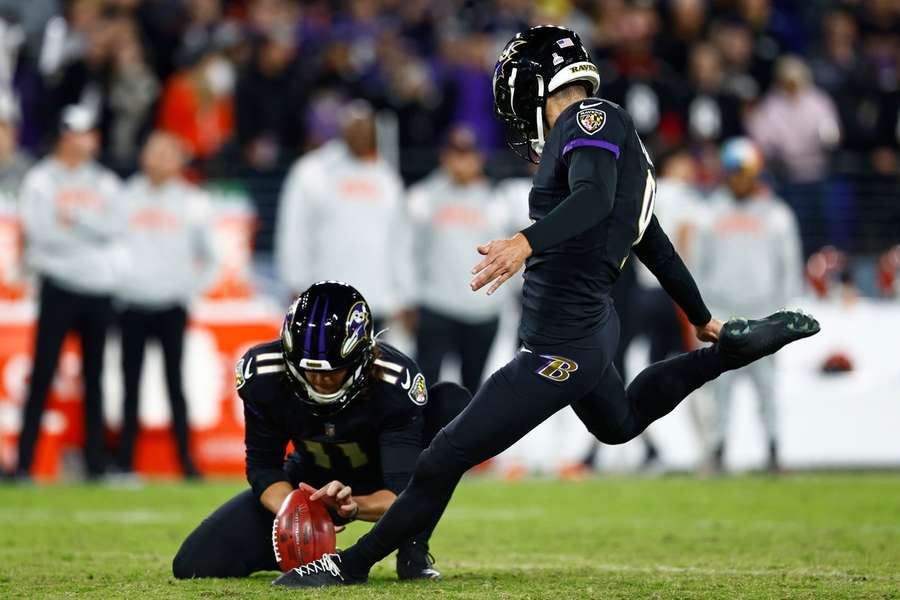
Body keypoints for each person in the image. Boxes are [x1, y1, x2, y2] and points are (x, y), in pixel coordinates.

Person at [272, 25, 819, 588]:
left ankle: (348, 567)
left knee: (443, 454)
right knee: (620, 421)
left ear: (537, 84)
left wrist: (523, 242)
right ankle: (727, 355)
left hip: (561, 343)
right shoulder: (611, 139)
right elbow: (649, 237)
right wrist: (704, 321)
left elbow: (593, 199)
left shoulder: (592, 118)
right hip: (587, 328)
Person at [172, 281, 470, 581]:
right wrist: (297, 514)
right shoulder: (265, 375)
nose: (319, 379)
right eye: (308, 369)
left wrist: (353, 507)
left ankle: (413, 551)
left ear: (361, 357)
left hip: (381, 476)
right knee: (195, 563)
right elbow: (263, 467)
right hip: (309, 487)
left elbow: (403, 492)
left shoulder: (393, 382)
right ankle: (300, 551)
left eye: (333, 370)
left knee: (450, 404)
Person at [15, 105, 123, 481]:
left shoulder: (106, 181)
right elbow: (40, 233)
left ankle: (95, 465)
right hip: (57, 284)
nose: (89, 139)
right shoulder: (41, 179)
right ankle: (24, 464)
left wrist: (74, 221)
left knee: (95, 379)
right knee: (42, 372)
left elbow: (115, 227)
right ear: (65, 135)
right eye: (81, 132)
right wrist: (91, 233)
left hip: (98, 288)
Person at [114, 132, 219, 479]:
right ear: (143, 156)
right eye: (154, 151)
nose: (159, 159)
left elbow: (212, 257)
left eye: (166, 153)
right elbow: (107, 246)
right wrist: (120, 284)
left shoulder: (193, 202)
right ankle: (123, 462)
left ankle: (186, 462)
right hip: (131, 303)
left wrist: (186, 289)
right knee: (129, 384)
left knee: (176, 383)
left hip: (172, 304)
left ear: (178, 161)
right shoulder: (123, 198)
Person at [694, 138, 803, 473]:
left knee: (767, 390)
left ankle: (773, 450)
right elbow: (698, 267)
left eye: (746, 172)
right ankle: (717, 450)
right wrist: (703, 314)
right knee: (720, 391)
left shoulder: (777, 214)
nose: (740, 178)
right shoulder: (709, 212)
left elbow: (790, 267)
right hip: (723, 315)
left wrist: (781, 317)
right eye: (735, 172)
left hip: (763, 314)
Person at [274, 100, 413, 331]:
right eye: (355, 128)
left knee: (369, 367)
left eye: (366, 129)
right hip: (323, 300)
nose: (361, 135)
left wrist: (405, 294)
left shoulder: (385, 178)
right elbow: (294, 232)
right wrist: (294, 282)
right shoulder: (312, 172)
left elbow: (399, 239)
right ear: (343, 131)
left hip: (373, 300)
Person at [408, 125, 506, 394]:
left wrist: (504, 299)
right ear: (444, 157)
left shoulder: (499, 201)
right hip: (435, 304)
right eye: (455, 153)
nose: (461, 161)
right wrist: (408, 296)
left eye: (468, 154)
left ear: (480, 158)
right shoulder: (424, 197)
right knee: (423, 385)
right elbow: (408, 250)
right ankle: (423, 437)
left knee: (472, 390)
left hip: (481, 312)